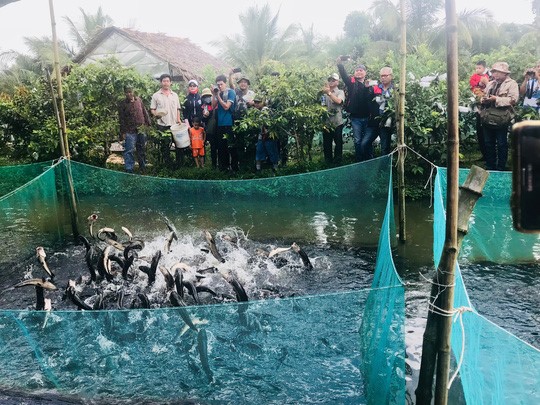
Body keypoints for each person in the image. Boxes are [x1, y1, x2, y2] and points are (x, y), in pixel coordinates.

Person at [480, 62, 519, 171]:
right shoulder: (491, 84)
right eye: (494, 72)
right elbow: (484, 96)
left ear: (505, 73)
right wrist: (483, 100)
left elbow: (513, 100)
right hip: (488, 116)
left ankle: (501, 166)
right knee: (488, 142)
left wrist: (496, 99)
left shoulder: (512, 84)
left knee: (502, 143)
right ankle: (490, 165)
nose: (495, 74)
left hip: (502, 118)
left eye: (497, 72)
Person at [337, 58, 375, 162]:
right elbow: (344, 75)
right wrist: (340, 64)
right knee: (358, 141)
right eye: (357, 70)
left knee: (368, 140)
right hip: (355, 118)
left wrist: (368, 87)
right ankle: (359, 160)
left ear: (365, 73)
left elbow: (372, 98)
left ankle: (369, 159)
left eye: (361, 70)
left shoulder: (370, 84)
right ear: (354, 73)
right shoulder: (351, 82)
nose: (358, 72)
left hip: (368, 117)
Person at [150, 73, 182, 166]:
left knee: (178, 144)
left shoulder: (174, 95)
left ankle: (179, 164)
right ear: (161, 82)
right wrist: (156, 114)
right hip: (162, 124)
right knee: (165, 146)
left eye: (167, 81)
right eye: (164, 81)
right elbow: (152, 109)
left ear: (170, 82)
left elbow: (178, 109)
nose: (166, 83)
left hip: (174, 124)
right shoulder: (156, 95)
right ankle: (167, 165)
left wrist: (178, 119)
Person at [118, 86, 151, 174]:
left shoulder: (139, 100)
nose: (129, 94)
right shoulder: (123, 103)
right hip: (129, 130)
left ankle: (143, 167)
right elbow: (121, 119)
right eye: (127, 92)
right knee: (129, 150)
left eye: (130, 92)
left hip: (141, 129)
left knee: (141, 149)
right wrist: (123, 132)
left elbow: (144, 112)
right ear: (124, 93)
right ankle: (129, 169)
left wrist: (148, 123)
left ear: (133, 91)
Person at [212, 74, 237, 171]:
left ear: (225, 83)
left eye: (221, 84)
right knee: (222, 147)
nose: (219, 86)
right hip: (220, 124)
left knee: (231, 146)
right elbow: (213, 106)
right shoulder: (218, 93)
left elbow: (226, 106)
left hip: (229, 123)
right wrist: (214, 94)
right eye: (218, 85)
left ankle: (234, 167)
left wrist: (218, 96)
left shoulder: (231, 92)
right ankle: (224, 167)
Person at [321, 73, 345, 164]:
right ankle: (328, 163)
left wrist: (329, 93)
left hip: (337, 122)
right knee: (327, 144)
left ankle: (338, 162)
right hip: (326, 123)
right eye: (330, 80)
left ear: (337, 82)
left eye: (333, 80)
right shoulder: (323, 92)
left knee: (338, 144)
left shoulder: (340, 92)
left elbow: (339, 101)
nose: (331, 82)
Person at [469, 60, 490, 160]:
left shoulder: (487, 77)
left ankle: (489, 155)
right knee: (480, 130)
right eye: (476, 68)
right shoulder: (474, 77)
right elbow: (472, 85)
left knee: (487, 131)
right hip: (478, 104)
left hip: (488, 107)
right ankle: (484, 154)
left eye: (479, 68)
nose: (477, 70)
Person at [372, 67, 395, 156]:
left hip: (392, 120)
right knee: (383, 146)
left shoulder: (395, 89)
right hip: (379, 120)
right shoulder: (376, 88)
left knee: (388, 145)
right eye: (381, 76)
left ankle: (387, 166)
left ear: (391, 76)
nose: (383, 78)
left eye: (385, 75)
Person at [253, 95, 279, 173]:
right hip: (262, 135)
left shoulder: (265, 110)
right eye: (255, 102)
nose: (256, 104)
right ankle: (259, 170)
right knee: (259, 151)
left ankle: (274, 169)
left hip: (269, 135)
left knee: (271, 151)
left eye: (258, 102)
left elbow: (267, 123)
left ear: (263, 102)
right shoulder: (257, 111)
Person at [200, 87, 218, 168]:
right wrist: (204, 116)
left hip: (215, 130)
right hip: (206, 130)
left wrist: (209, 113)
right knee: (203, 146)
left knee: (214, 147)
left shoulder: (214, 105)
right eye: (205, 96)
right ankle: (203, 164)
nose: (206, 98)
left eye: (208, 96)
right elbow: (202, 119)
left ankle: (214, 164)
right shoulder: (202, 107)